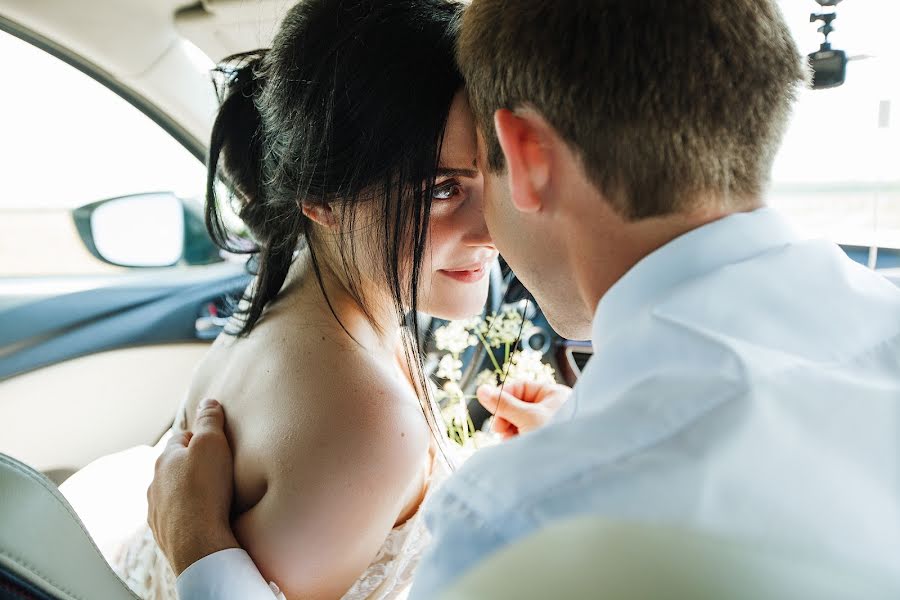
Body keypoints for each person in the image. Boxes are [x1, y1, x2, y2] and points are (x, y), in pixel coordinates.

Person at [148, 0, 900, 598]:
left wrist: (200, 554)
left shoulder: (526, 522)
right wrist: (586, 428)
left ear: (528, 155)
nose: (487, 231)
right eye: (443, 188)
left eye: (482, 173)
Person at [116, 1, 500, 599]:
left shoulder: (289, 288)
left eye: (495, 177)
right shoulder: (370, 423)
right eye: (443, 189)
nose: (493, 230)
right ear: (320, 196)